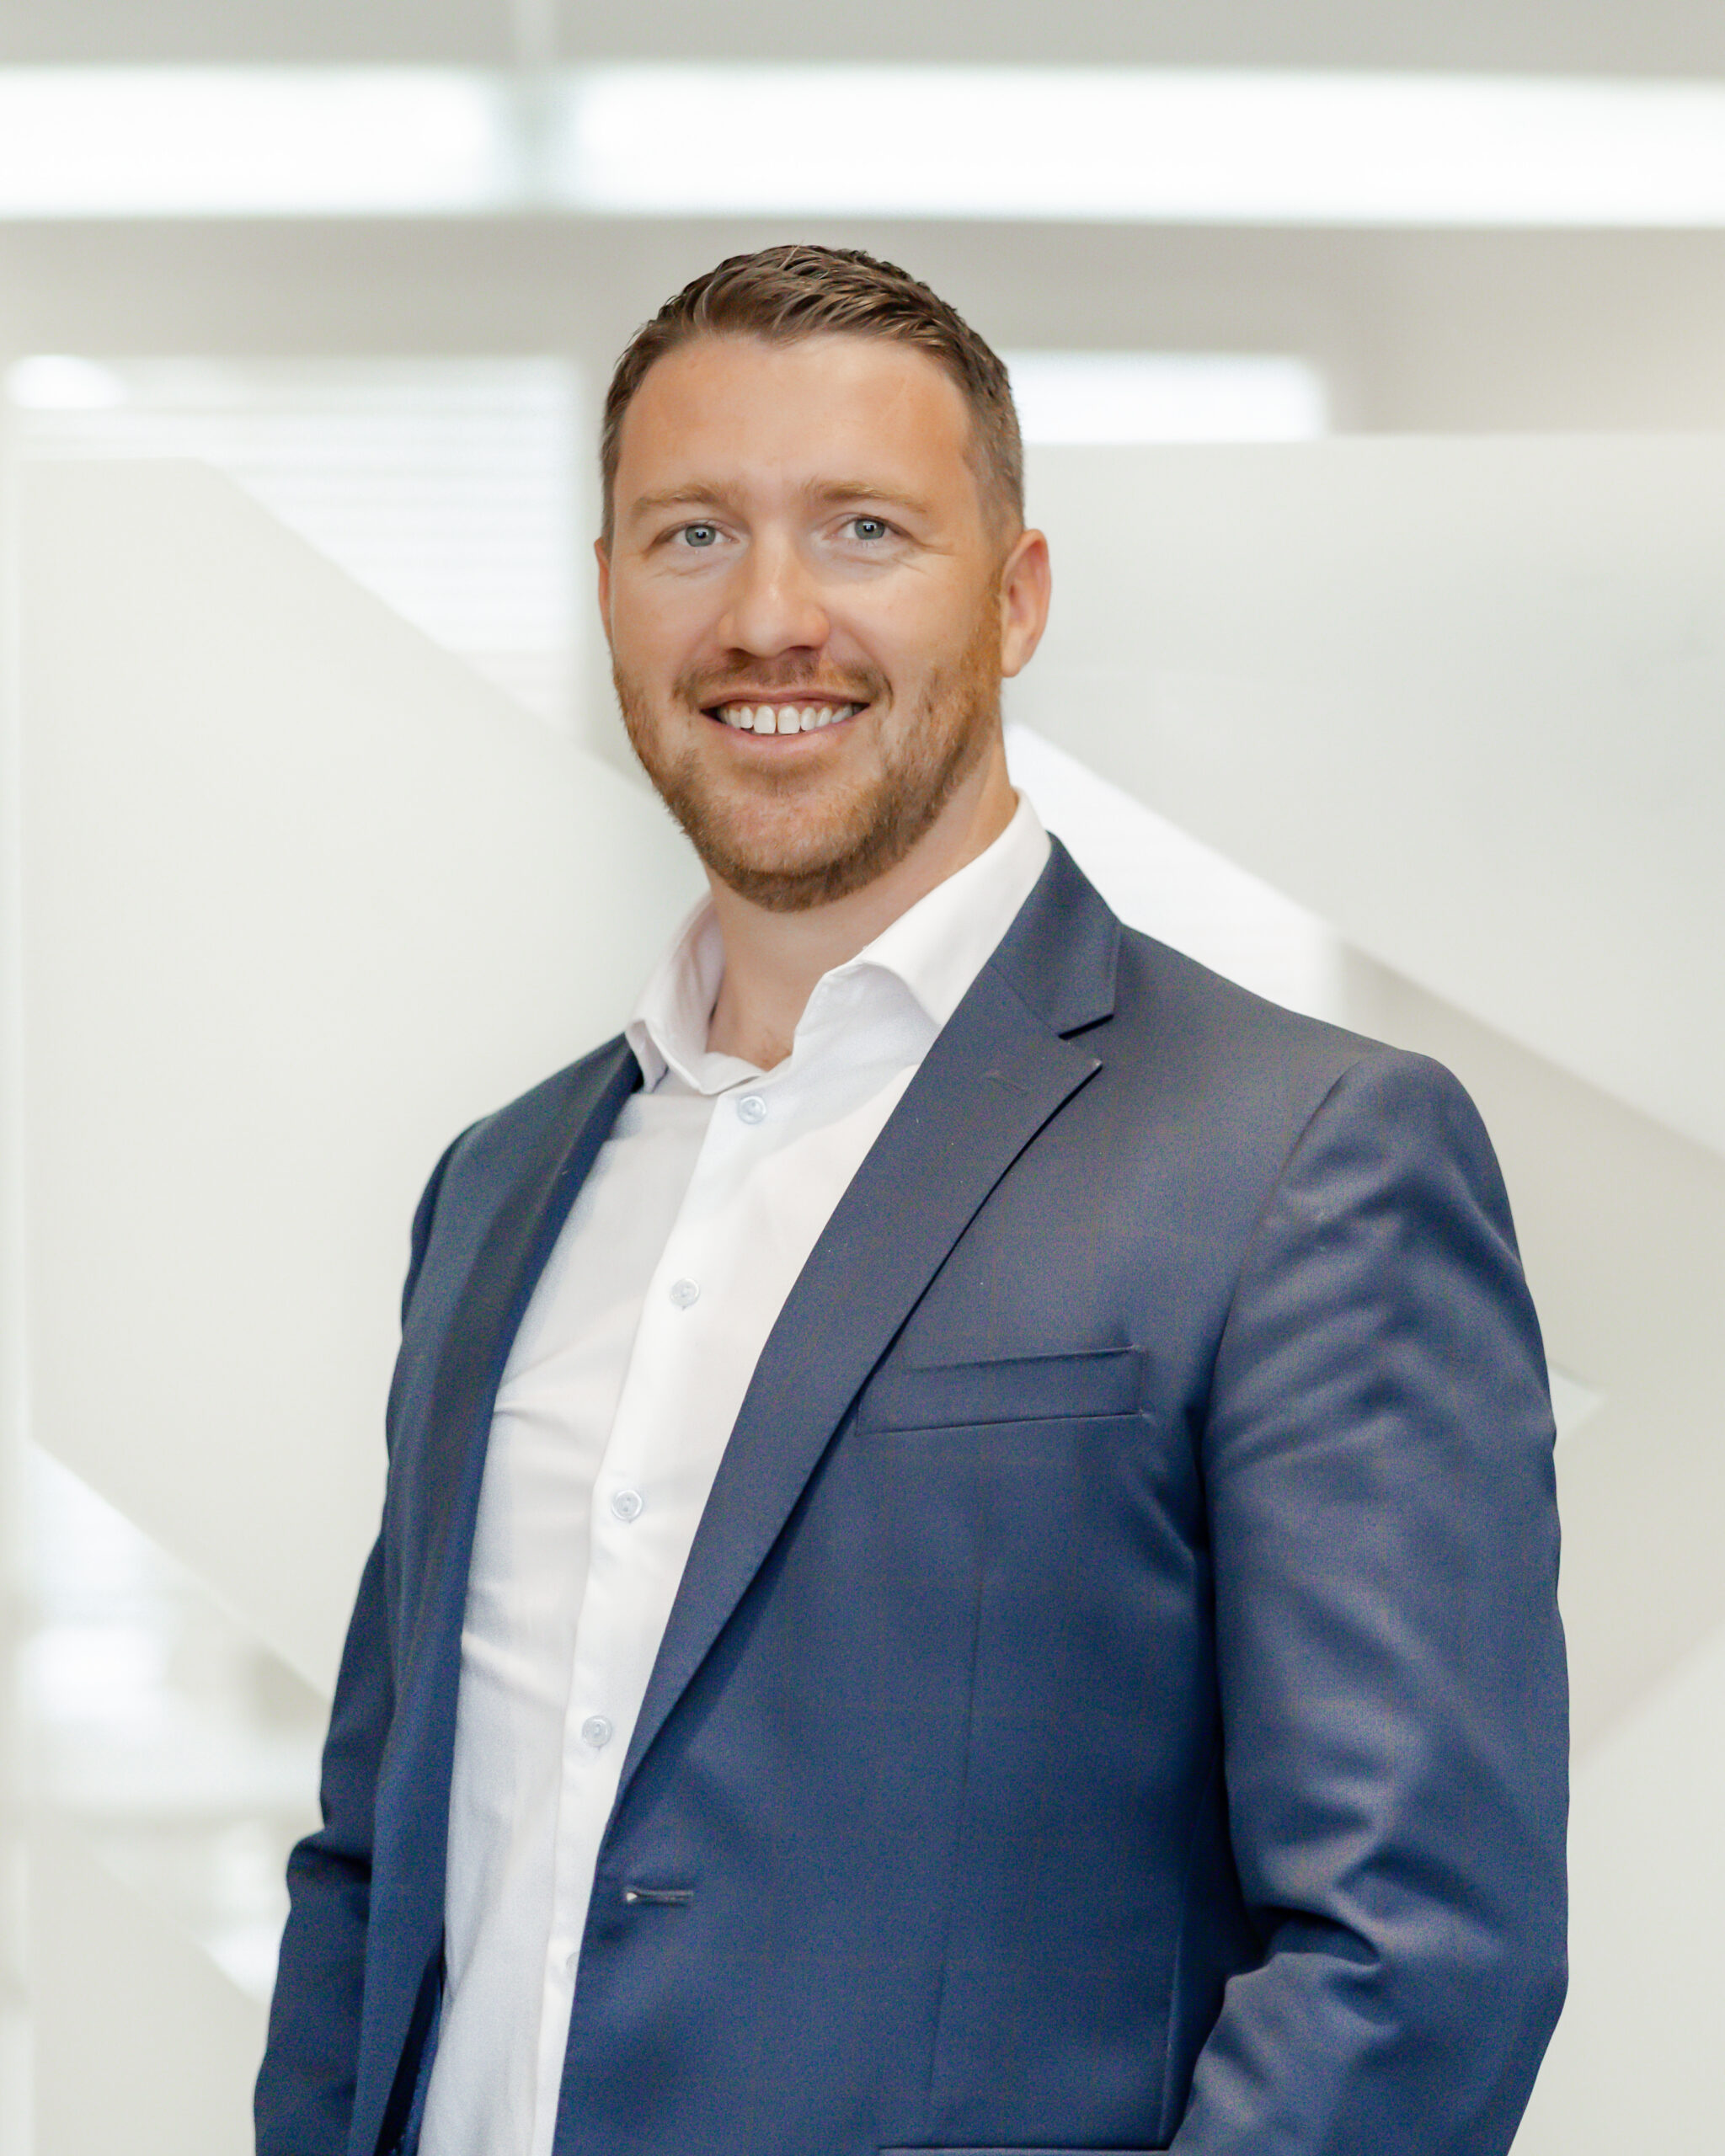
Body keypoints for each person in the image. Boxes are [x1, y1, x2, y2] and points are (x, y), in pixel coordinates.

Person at [255, 245, 1567, 2156]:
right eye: (691, 532)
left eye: (863, 529)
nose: (768, 614)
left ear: (1015, 597)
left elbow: (1415, 1952)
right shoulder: (497, 1188)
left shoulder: (1304, 1157)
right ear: (610, 593)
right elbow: (377, 1868)